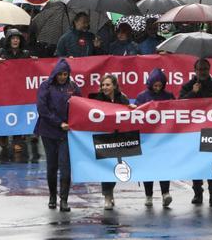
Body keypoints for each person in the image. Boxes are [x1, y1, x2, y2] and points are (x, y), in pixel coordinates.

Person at [179, 58, 212, 206]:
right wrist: (193, 93)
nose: (202, 72)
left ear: (209, 69)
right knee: (196, 162)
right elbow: (179, 105)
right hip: (192, 131)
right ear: (195, 71)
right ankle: (197, 193)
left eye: (205, 69)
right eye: (200, 69)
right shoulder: (188, 87)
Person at [35, 58, 80, 212]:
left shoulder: (73, 87)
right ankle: (52, 196)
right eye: (60, 74)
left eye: (65, 74)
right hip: (48, 131)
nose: (62, 77)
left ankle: (64, 199)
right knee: (52, 166)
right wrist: (58, 123)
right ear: (55, 73)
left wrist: (74, 124)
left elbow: (81, 106)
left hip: (67, 133)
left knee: (65, 166)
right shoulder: (46, 86)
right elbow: (42, 108)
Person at [88, 74, 133, 210]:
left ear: (114, 85)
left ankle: (110, 191)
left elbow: (128, 115)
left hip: (119, 138)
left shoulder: (122, 98)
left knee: (116, 166)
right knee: (105, 167)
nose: (105, 87)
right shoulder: (97, 99)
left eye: (107, 85)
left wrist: (131, 108)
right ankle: (107, 196)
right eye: (103, 85)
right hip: (103, 138)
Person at [135, 68, 173, 207]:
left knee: (164, 165)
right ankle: (149, 195)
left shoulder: (168, 96)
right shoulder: (142, 96)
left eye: (160, 85)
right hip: (148, 138)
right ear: (150, 84)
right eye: (155, 85)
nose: (157, 88)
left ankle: (165, 193)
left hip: (163, 137)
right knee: (148, 167)